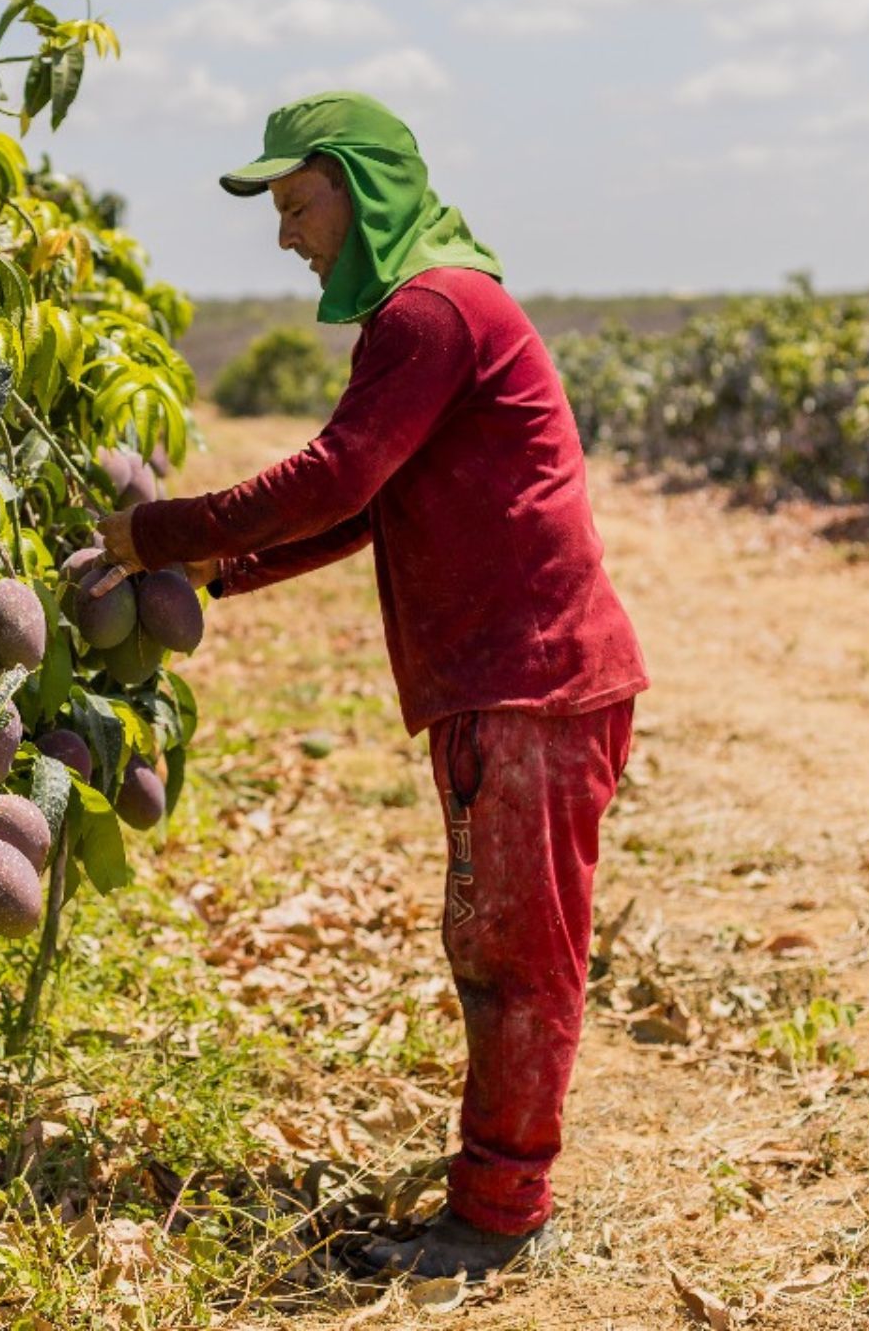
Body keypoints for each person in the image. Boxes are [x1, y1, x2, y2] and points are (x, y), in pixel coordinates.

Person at [95, 92, 647, 1280]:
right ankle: (500, 1188)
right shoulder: (436, 309)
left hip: (533, 678)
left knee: (514, 953)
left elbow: (338, 476)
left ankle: (499, 1214)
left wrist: (156, 531)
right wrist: (216, 563)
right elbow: (370, 503)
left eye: (298, 205)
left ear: (361, 188)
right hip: (514, 679)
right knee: (496, 941)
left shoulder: (431, 310)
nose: (290, 237)